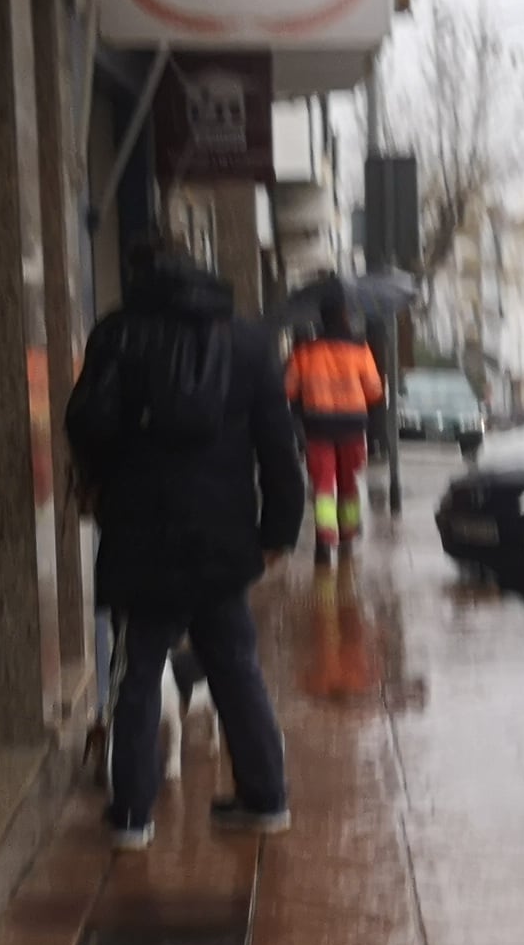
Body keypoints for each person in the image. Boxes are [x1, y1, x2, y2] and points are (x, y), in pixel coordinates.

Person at [63, 239, 302, 848]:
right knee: (236, 666)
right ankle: (266, 797)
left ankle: (132, 816)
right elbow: (279, 450)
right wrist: (278, 531)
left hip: (139, 534)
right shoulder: (249, 344)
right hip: (221, 538)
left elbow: (87, 425)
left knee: (137, 672)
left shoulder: (117, 336)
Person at [284, 290, 384, 566]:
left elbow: (288, 390)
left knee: (324, 483)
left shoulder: (305, 352)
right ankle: (348, 533)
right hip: (352, 424)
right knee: (349, 481)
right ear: (344, 317)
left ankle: (326, 539)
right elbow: (375, 391)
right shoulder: (360, 350)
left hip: (317, 425)